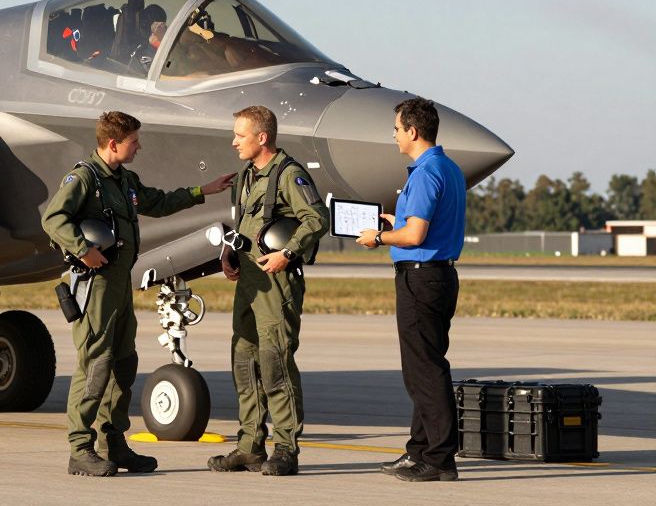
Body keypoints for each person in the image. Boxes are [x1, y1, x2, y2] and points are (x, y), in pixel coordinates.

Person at [43, 111, 235, 477]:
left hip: (120, 286)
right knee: (95, 365)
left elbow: (157, 202)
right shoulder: (85, 178)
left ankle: (114, 444)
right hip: (96, 286)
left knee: (123, 364)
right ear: (114, 143)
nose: (139, 146)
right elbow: (53, 219)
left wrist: (201, 191)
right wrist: (82, 248)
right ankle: (80, 449)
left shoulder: (124, 180)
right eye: (134, 141)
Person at [208, 105, 327, 477]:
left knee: (276, 362)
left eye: (239, 136)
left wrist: (287, 254)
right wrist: (229, 254)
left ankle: (287, 449)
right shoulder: (248, 174)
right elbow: (244, 221)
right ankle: (249, 446)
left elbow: (316, 218)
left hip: (277, 284)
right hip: (248, 282)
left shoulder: (290, 175)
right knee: (244, 361)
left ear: (262, 138)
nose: (233, 142)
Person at [355, 97, 465, 482]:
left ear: (413, 132)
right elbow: (423, 225)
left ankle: (439, 459)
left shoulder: (423, 173)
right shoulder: (448, 168)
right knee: (423, 366)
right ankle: (419, 450)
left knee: (425, 370)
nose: (395, 136)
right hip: (439, 275)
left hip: (421, 277)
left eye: (397, 129)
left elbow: (415, 234)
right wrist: (395, 219)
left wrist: (380, 236)